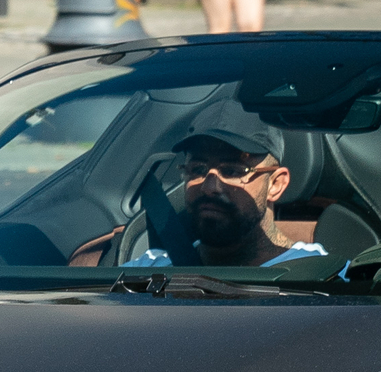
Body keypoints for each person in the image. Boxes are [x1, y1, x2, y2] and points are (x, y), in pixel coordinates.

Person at [125, 103, 325, 269]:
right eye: (198, 169)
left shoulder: (322, 277)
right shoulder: (146, 272)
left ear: (276, 184)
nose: (209, 187)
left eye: (232, 171)